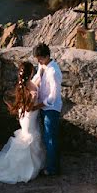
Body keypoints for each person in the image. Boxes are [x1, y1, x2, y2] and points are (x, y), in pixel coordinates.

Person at [31, 42, 62, 176]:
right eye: (37, 59)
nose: (38, 61)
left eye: (40, 58)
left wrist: (37, 106)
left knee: (51, 139)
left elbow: (53, 97)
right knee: (47, 138)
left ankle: (52, 169)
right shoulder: (43, 65)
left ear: (47, 56)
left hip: (51, 109)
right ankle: (50, 164)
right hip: (44, 107)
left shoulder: (54, 71)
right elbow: (37, 78)